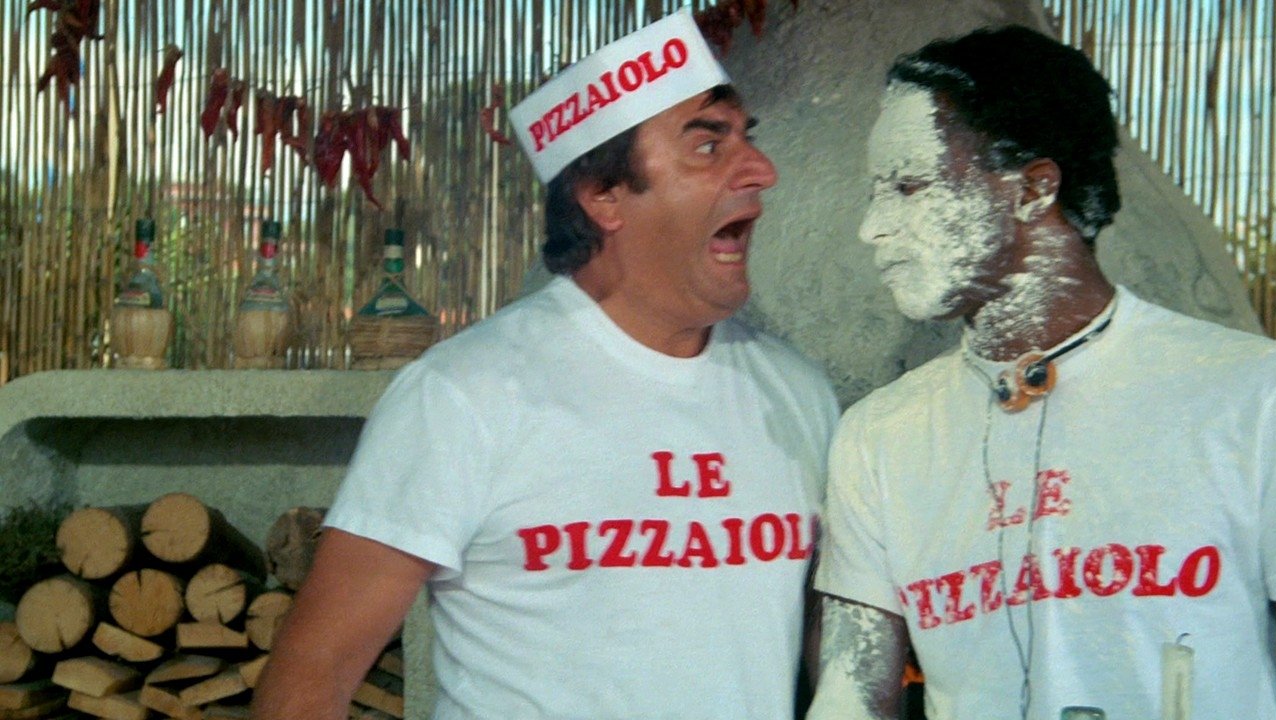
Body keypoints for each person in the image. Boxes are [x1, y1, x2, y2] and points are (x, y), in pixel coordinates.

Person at [252, 8, 838, 720]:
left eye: (749, 139)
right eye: (709, 145)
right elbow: (308, 682)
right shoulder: (462, 396)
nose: (762, 171)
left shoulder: (797, 396)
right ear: (604, 196)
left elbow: (834, 668)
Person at [808, 25, 1276, 720]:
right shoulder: (879, 435)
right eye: (877, 192)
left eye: (908, 186)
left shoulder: (1251, 395)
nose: (872, 227)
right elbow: (851, 699)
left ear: (1034, 189)